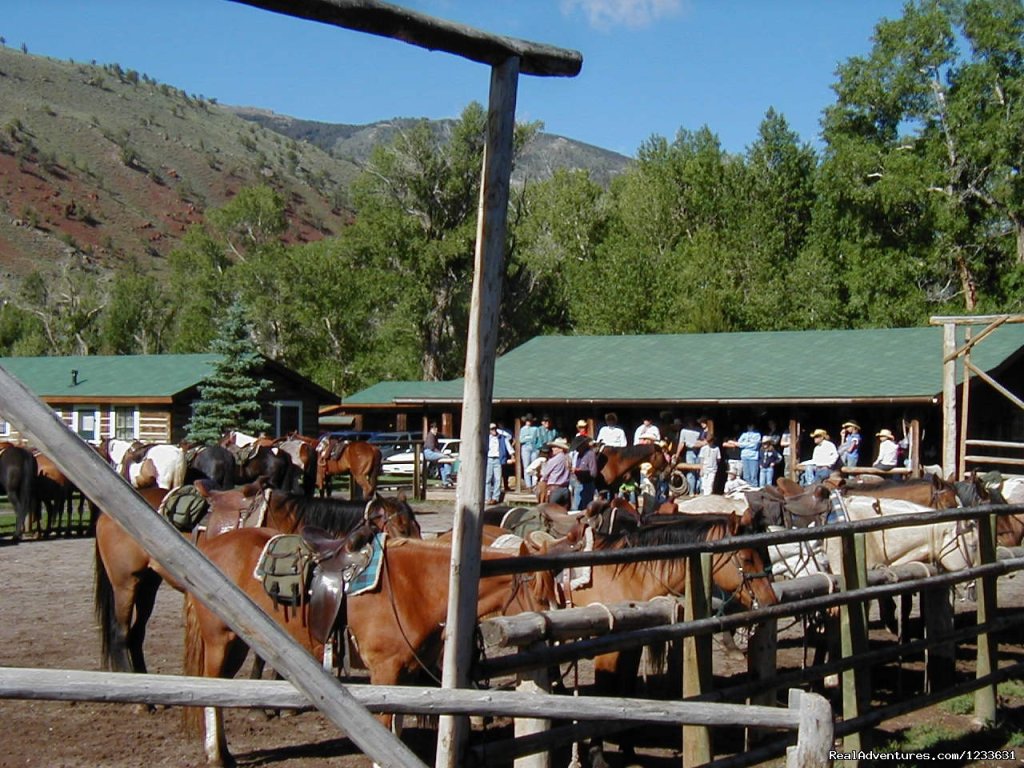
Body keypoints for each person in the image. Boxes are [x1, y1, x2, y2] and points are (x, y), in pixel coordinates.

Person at [538, 437, 571, 508]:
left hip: (555, 489)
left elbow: (545, 473)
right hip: (565, 488)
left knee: (550, 512)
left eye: (555, 447)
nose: (553, 449)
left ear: (560, 449)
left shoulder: (554, 459)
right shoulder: (568, 458)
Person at [485, 423, 510, 504]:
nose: (494, 430)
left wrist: (500, 431)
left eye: (495, 428)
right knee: (488, 479)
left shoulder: (501, 437)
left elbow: (509, 437)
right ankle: (487, 498)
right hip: (489, 458)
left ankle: (495, 498)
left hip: (498, 459)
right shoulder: (487, 438)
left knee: (498, 479)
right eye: (492, 429)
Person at [571, 435, 598, 510]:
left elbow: (594, 472)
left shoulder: (590, 454)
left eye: (578, 447)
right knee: (576, 507)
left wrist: (580, 471)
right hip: (579, 483)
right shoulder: (579, 455)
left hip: (587, 484)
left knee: (585, 507)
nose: (577, 450)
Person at [422, 423, 453, 488]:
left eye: (436, 429)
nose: (436, 430)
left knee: (442, 464)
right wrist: (441, 454)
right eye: (434, 429)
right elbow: (432, 448)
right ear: (431, 429)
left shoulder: (434, 436)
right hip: (429, 453)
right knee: (446, 457)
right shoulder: (430, 436)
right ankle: (448, 475)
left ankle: (445, 482)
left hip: (430, 453)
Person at [518, 414, 540, 490]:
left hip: (534, 448)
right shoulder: (523, 429)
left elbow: (537, 438)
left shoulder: (535, 429)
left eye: (530, 421)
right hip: (525, 448)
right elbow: (521, 440)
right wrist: (529, 438)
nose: (529, 422)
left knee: (534, 466)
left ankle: (534, 484)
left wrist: (537, 448)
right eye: (528, 421)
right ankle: (528, 485)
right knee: (526, 466)